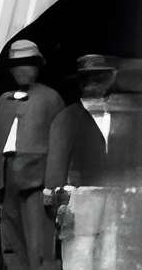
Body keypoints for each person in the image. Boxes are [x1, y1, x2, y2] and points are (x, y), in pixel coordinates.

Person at [0, 36, 65, 270]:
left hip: (38, 180)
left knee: (41, 246)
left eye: (27, 64)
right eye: (16, 65)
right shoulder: (4, 100)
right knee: (13, 248)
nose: (22, 70)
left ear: (38, 66)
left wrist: (53, 184)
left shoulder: (50, 98)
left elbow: (59, 142)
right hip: (9, 180)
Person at [48, 54, 116, 194]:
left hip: (117, 198)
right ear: (81, 83)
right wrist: (56, 197)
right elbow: (55, 169)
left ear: (108, 81)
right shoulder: (67, 117)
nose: (93, 84)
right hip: (80, 200)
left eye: (99, 78)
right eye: (88, 79)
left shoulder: (118, 114)